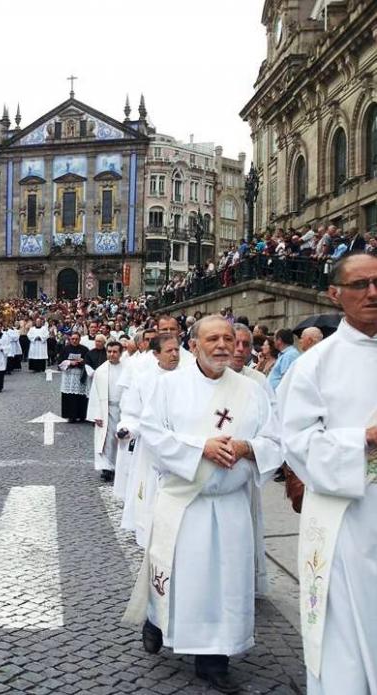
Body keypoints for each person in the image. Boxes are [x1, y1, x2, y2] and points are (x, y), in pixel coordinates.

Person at [123, 316, 280, 694]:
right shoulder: (169, 386)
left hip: (230, 504)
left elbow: (275, 440)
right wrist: (201, 448)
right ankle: (157, 621)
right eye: (213, 338)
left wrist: (247, 447)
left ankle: (216, 658)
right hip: (186, 502)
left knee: (226, 581)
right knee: (182, 577)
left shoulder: (251, 390)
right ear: (194, 344)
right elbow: (154, 436)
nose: (224, 345)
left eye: (229, 338)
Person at [278, 253, 377, 695]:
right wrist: (364, 440)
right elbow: (297, 442)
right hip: (346, 521)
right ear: (335, 295)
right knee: (346, 630)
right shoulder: (314, 365)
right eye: (359, 285)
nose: (372, 292)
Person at [118, 334, 180, 546]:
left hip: (180, 448)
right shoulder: (144, 379)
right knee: (150, 497)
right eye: (169, 351)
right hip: (151, 449)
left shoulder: (189, 377)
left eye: (177, 350)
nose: (174, 355)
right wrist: (126, 429)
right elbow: (132, 413)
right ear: (156, 354)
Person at [86, 341, 124, 483]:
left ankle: (119, 467)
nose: (111, 354)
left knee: (120, 439)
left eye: (115, 352)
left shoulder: (127, 369)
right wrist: (96, 414)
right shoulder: (101, 371)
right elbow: (94, 393)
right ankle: (107, 468)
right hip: (105, 409)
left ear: (120, 353)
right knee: (106, 440)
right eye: (109, 352)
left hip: (123, 409)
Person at [57, 333, 90, 422]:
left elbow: (88, 361)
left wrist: (82, 361)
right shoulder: (65, 349)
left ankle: (82, 415)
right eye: (73, 339)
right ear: (70, 339)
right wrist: (69, 363)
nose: (74, 341)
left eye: (76, 339)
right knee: (69, 395)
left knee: (81, 395)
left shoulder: (84, 349)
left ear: (79, 339)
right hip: (68, 375)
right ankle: (71, 416)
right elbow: (60, 362)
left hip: (80, 375)